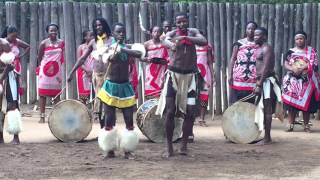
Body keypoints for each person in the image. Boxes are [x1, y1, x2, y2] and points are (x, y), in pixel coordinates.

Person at [85, 23, 142, 159]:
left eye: (123, 32)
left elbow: (139, 53)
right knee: (109, 119)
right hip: (111, 86)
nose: (121, 34)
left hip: (125, 87)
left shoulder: (128, 47)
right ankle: (109, 150)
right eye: (118, 32)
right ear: (114, 35)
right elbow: (107, 58)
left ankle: (128, 150)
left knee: (129, 119)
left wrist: (123, 50)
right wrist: (113, 54)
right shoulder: (108, 48)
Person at [156, 12, 207, 157]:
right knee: (170, 112)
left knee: (190, 112)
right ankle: (169, 147)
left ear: (187, 21)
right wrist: (172, 44)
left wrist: (185, 37)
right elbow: (165, 41)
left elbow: (203, 41)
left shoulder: (193, 32)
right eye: (179, 22)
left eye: (184, 21)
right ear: (175, 23)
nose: (182, 24)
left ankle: (184, 146)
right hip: (174, 77)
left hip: (190, 78)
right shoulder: (171, 33)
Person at [68, 18, 112, 126]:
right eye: (96, 25)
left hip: (110, 76)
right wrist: (71, 72)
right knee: (99, 103)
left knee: (109, 103)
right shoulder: (93, 42)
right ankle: (103, 130)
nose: (98, 27)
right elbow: (82, 58)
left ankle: (109, 129)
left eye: (100, 25)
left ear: (104, 26)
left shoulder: (112, 40)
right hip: (97, 75)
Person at [282, 31, 320, 133]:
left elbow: (315, 63)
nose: (299, 40)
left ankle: (306, 125)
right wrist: (292, 68)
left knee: (306, 105)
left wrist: (303, 67)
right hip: (293, 81)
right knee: (291, 104)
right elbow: (285, 63)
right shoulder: (290, 51)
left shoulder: (312, 51)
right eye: (297, 39)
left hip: (307, 81)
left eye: (301, 38)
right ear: (295, 41)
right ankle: (290, 124)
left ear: (305, 40)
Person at [253, 27, 281, 145]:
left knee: (268, 110)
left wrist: (260, 84)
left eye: (258, 35)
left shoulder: (267, 48)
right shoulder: (260, 48)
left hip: (267, 81)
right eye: (254, 35)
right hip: (262, 81)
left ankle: (267, 138)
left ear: (264, 36)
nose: (255, 37)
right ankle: (266, 136)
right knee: (264, 109)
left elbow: (266, 67)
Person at [37, 24, 64, 123]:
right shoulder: (43, 43)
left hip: (57, 71)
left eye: (55, 30)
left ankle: (58, 117)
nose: (53, 32)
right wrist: (43, 67)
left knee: (57, 94)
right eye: (51, 30)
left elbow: (62, 56)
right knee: (42, 94)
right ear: (47, 32)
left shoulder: (61, 42)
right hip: (45, 71)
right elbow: (39, 57)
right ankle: (42, 116)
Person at [228, 22, 258, 104]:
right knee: (237, 102)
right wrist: (230, 75)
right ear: (246, 30)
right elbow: (233, 59)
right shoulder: (239, 43)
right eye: (249, 28)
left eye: (253, 29)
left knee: (250, 103)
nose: (251, 31)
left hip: (253, 78)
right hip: (238, 78)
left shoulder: (259, 44)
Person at [0, 38, 22, 144]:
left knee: (12, 106)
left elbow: (9, 65)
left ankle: (16, 137)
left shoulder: (4, 44)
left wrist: (3, 76)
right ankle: (0, 137)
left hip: (8, 77)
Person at [1, 26, 30, 96]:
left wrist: (20, 56)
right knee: (2, 86)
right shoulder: (3, 42)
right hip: (3, 66)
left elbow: (28, 46)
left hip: (15, 67)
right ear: (8, 34)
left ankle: (13, 102)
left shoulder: (17, 41)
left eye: (16, 36)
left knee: (13, 86)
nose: (14, 38)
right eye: (13, 36)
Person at [142, 26, 169, 98]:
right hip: (150, 71)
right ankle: (151, 107)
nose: (157, 33)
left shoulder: (165, 44)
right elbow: (141, 57)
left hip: (162, 70)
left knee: (161, 90)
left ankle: (160, 107)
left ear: (161, 33)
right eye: (155, 31)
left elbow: (168, 58)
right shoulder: (146, 44)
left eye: (159, 32)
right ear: (151, 33)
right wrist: (146, 59)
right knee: (150, 88)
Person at [195, 30, 215, 127]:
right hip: (193, 73)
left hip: (205, 73)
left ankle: (202, 119)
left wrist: (213, 75)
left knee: (204, 96)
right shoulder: (190, 46)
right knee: (190, 96)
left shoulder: (208, 47)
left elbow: (210, 62)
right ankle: (189, 118)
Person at [76, 30, 94, 104]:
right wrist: (87, 70)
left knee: (95, 92)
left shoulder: (96, 46)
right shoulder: (81, 47)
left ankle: (95, 112)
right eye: (91, 35)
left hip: (94, 72)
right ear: (85, 37)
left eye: (93, 35)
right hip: (83, 72)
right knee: (84, 95)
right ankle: (83, 110)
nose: (93, 37)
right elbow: (79, 61)